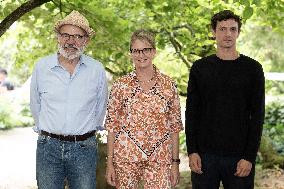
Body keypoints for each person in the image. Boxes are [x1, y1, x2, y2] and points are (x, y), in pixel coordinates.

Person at [185, 10, 265, 189]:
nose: (228, 34)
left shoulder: (253, 69)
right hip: (204, 156)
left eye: (232, 29)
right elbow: (191, 113)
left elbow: (258, 116)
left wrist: (249, 156)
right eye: (222, 29)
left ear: (238, 32)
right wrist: (192, 151)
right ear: (213, 32)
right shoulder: (200, 68)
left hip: (239, 157)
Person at [30, 10, 108, 189]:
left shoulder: (96, 70)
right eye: (66, 35)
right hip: (48, 148)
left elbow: (100, 107)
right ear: (58, 37)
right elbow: (36, 105)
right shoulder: (42, 67)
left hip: (84, 148)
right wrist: (49, 132)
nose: (71, 41)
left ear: (86, 41)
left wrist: (83, 132)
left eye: (78, 36)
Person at [105, 29, 183, 189]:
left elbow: (175, 126)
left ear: (153, 52)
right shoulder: (120, 86)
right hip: (126, 156)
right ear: (131, 54)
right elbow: (112, 126)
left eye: (145, 50)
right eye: (136, 51)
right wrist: (109, 164)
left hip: (160, 158)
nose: (141, 55)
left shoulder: (168, 85)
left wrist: (175, 163)